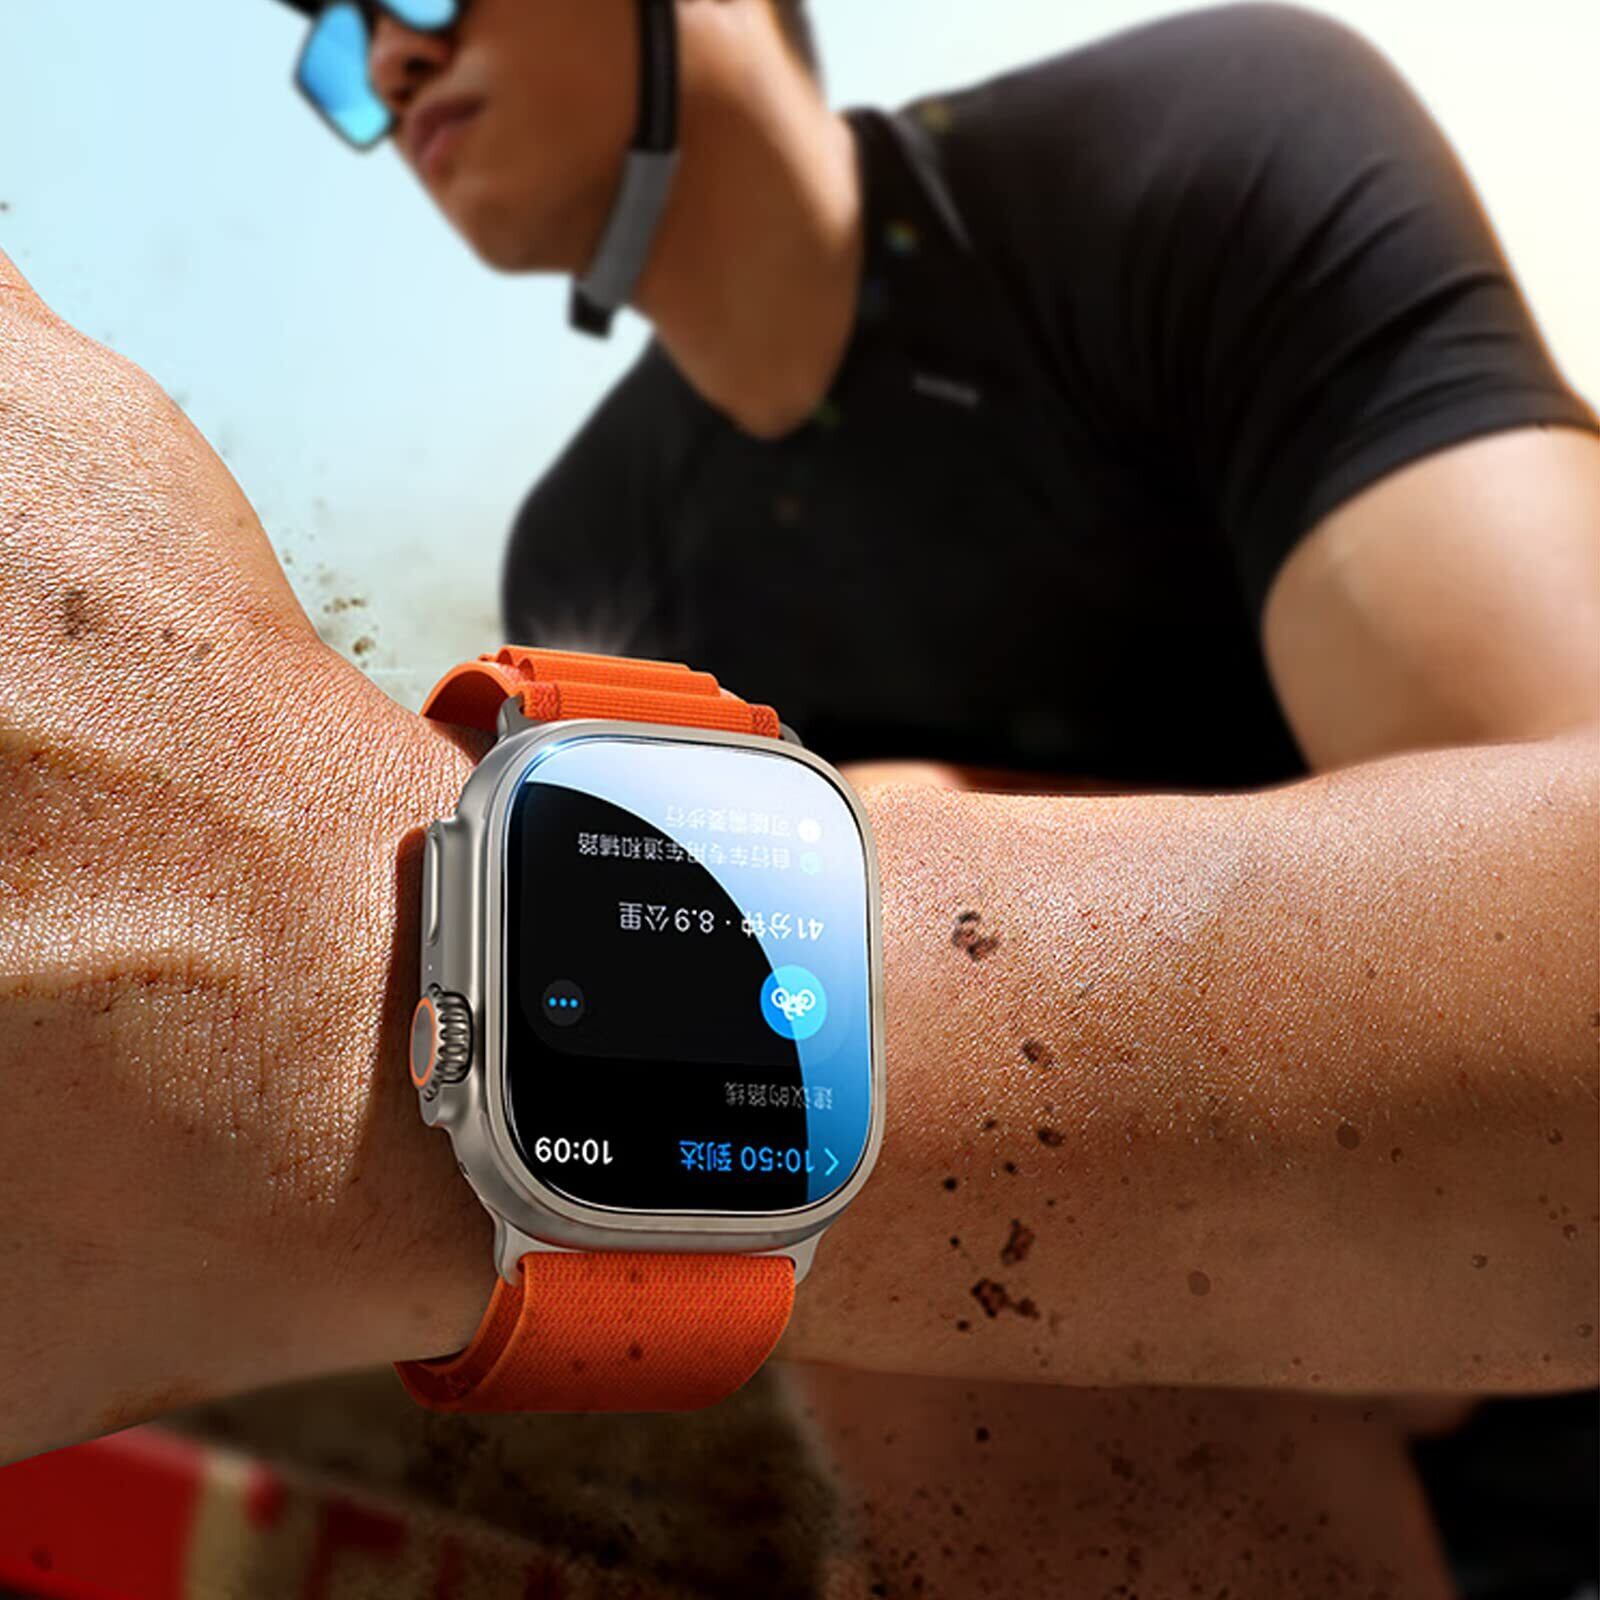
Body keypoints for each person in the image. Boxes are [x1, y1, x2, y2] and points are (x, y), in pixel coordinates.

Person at [0, 0, 1593, 1594]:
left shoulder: (1205, 146)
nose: (387, 58)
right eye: (336, 44)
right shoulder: (583, 547)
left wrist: (344, 967)